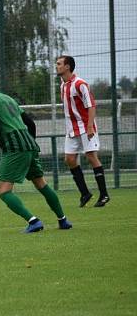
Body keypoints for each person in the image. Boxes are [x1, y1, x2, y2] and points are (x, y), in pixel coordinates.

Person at [0, 71, 72, 233]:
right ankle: (63, 220)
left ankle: (33, 221)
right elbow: (30, 123)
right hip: (29, 144)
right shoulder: (8, 99)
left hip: (14, 147)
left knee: (4, 192)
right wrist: (29, 143)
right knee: (41, 184)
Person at [57, 55, 110, 207]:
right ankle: (85, 193)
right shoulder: (62, 86)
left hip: (85, 127)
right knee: (69, 159)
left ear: (67, 67)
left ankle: (104, 195)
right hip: (71, 130)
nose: (57, 66)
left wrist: (89, 126)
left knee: (91, 157)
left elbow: (91, 105)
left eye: (59, 64)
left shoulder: (80, 84)